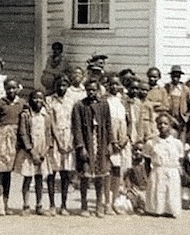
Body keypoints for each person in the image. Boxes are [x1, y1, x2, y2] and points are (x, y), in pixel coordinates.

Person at [72, 79, 113, 217]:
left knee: (100, 176)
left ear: (98, 90)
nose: (91, 92)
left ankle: (99, 205)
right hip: (87, 141)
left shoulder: (104, 104)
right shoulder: (79, 105)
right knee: (85, 175)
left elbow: (108, 125)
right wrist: (81, 146)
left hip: (100, 141)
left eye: (94, 90)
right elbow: (76, 127)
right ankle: (84, 205)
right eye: (89, 89)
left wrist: (109, 143)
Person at [0, 78, 24, 216]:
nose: (11, 91)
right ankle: (0, 202)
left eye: (13, 88)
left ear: (17, 89)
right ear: (5, 88)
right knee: (0, 172)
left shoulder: (21, 103)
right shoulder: (0, 103)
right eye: (9, 88)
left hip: (14, 139)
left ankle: (7, 202)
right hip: (2, 138)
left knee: (8, 173)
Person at [15, 89, 52, 215]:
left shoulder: (46, 115)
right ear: (31, 100)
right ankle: (26, 205)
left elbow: (48, 134)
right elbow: (23, 133)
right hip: (29, 151)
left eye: (41, 98)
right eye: (35, 98)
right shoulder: (25, 115)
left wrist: (45, 150)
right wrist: (31, 151)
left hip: (42, 151)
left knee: (40, 179)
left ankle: (39, 205)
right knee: (28, 178)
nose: (38, 101)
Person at [46, 75, 76, 215]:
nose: (61, 88)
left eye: (64, 85)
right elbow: (51, 122)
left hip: (68, 138)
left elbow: (75, 122)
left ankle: (63, 205)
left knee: (66, 173)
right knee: (52, 172)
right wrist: (57, 141)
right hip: (54, 138)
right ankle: (52, 204)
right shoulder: (49, 100)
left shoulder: (72, 101)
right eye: (59, 85)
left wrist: (71, 141)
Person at [144, 113, 184, 217]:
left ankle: (170, 210)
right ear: (156, 125)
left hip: (172, 171)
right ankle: (156, 210)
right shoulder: (151, 143)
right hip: (157, 170)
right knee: (157, 191)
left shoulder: (177, 143)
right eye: (160, 123)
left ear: (170, 125)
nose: (162, 126)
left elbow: (180, 160)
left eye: (165, 123)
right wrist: (149, 175)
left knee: (171, 192)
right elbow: (147, 161)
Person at [105, 75, 130, 214]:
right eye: (111, 84)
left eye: (116, 84)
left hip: (122, 138)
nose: (114, 87)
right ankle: (107, 202)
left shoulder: (124, 101)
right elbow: (105, 123)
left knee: (118, 170)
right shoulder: (105, 101)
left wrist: (124, 139)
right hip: (110, 138)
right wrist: (112, 141)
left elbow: (129, 121)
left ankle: (115, 200)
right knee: (108, 169)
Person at [163, 65, 190, 138]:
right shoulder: (166, 88)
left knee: (182, 138)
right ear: (171, 76)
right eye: (174, 76)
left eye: (177, 76)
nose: (175, 78)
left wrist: (187, 116)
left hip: (182, 118)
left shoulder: (185, 89)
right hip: (170, 116)